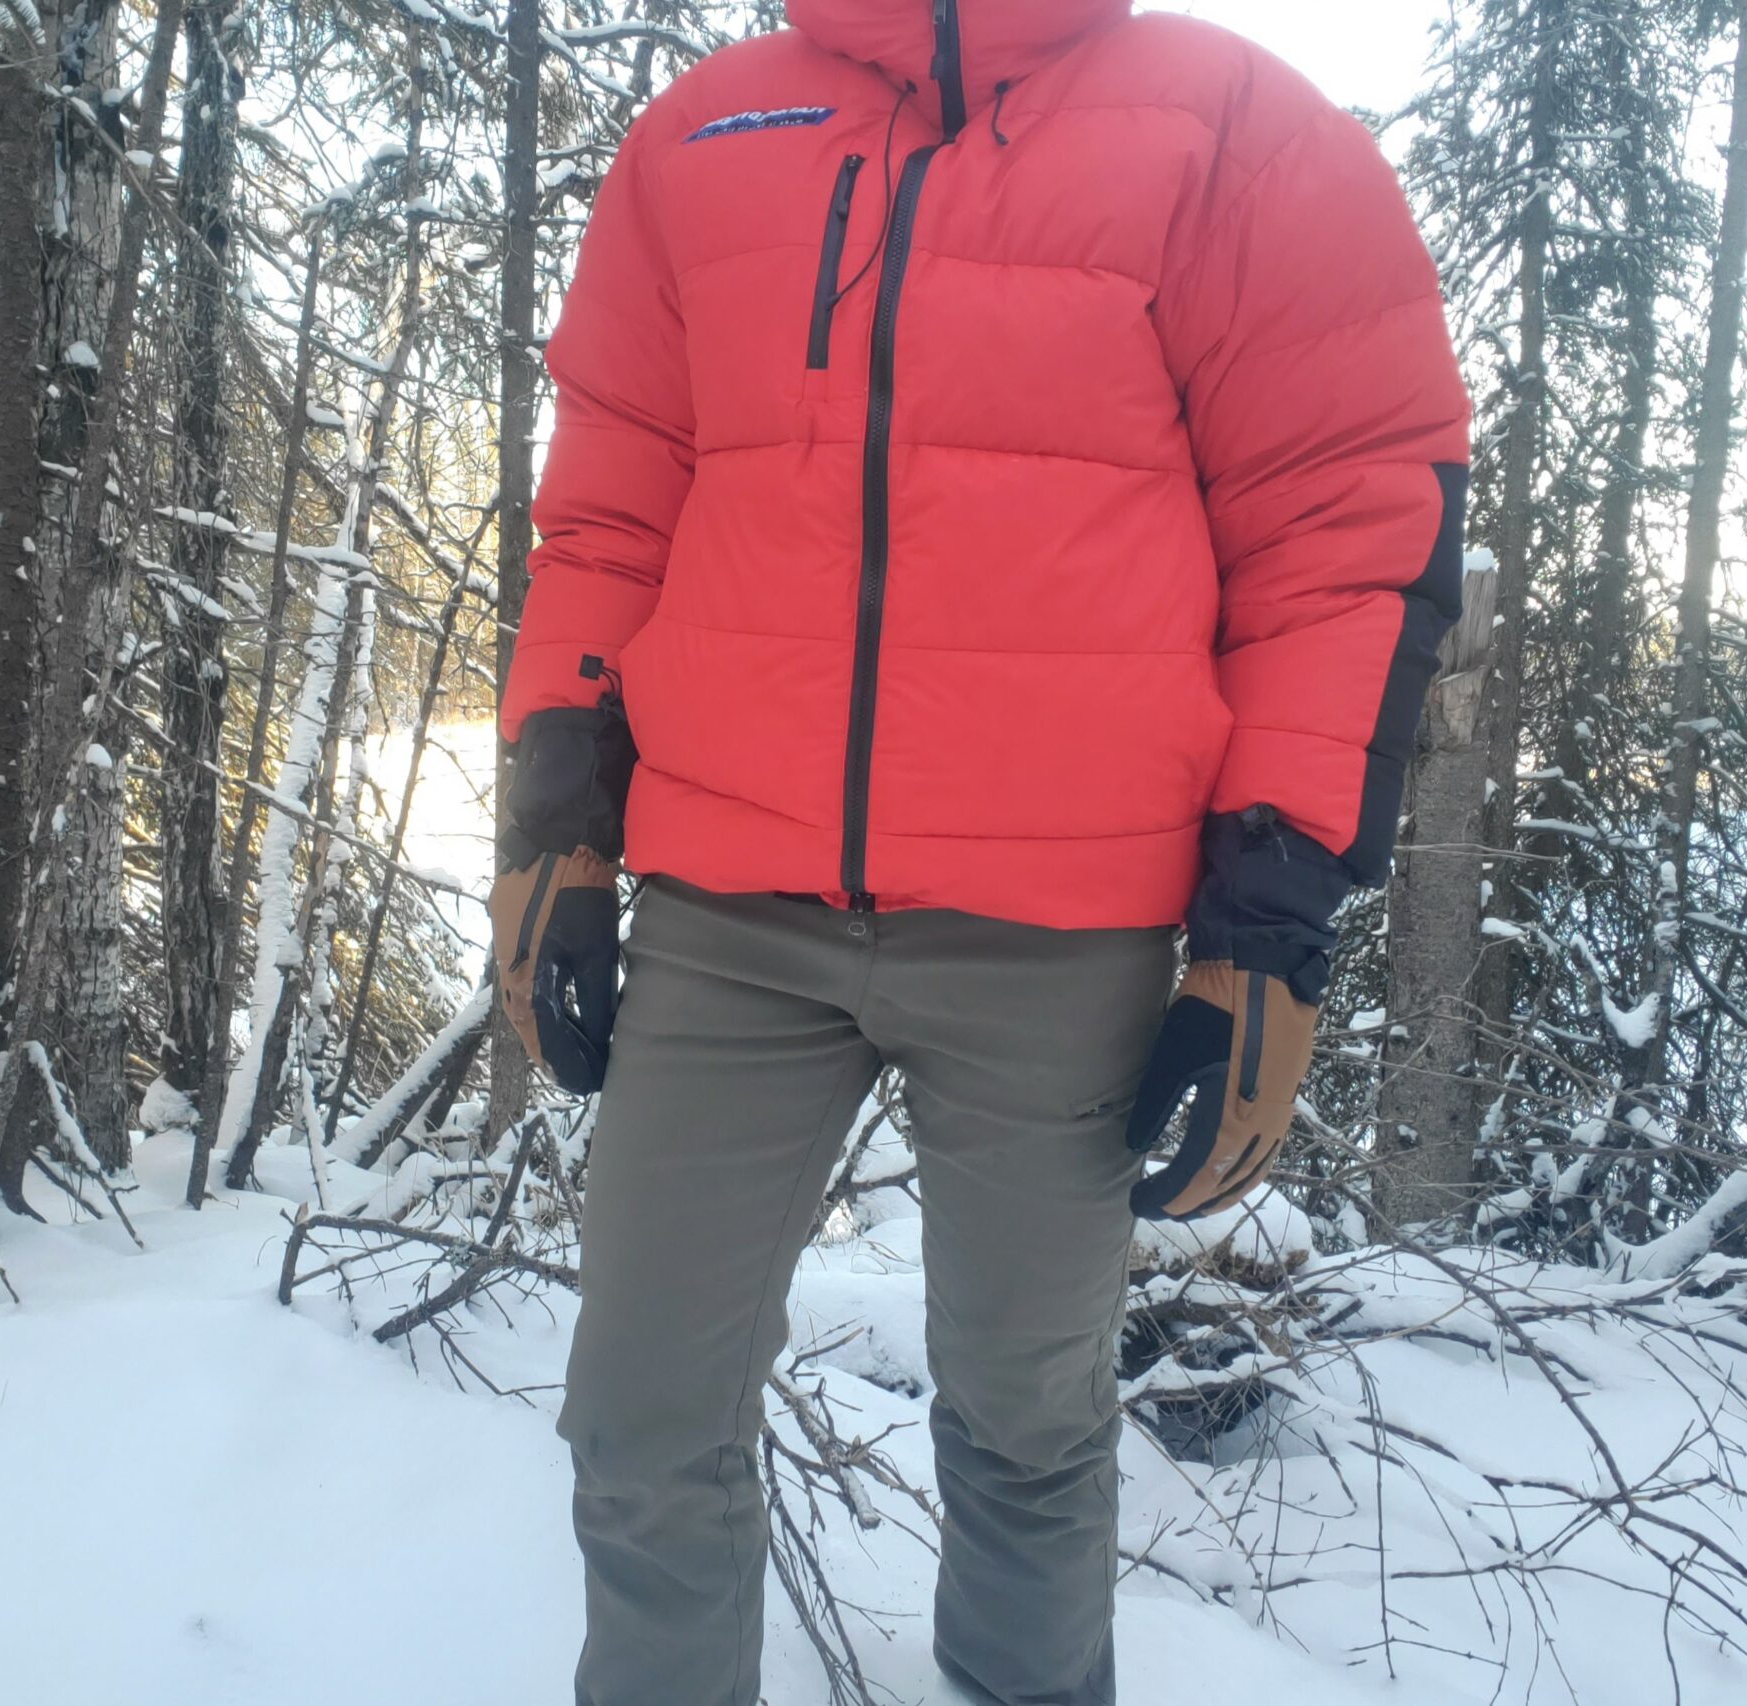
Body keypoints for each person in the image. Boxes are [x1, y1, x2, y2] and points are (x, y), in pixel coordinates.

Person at [489, 1, 1470, 1700]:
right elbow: (611, 511)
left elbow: (1345, 525)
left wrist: (1270, 913)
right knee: (642, 1410)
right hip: (728, 909)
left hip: (1062, 925)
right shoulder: (705, 137)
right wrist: (560, 828)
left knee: (1029, 1423)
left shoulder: (1231, 126)